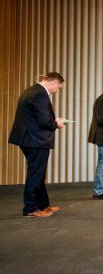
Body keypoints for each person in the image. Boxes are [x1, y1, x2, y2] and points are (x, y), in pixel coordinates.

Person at [8, 73, 66, 217]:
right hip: (36, 140)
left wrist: (52, 119)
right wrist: (56, 123)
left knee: (39, 173)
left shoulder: (30, 91)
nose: (56, 91)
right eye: (58, 87)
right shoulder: (40, 94)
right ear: (52, 82)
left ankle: (43, 205)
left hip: (29, 139)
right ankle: (30, 209)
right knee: (36, 174)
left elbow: (36, 117)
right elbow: (44, 121)